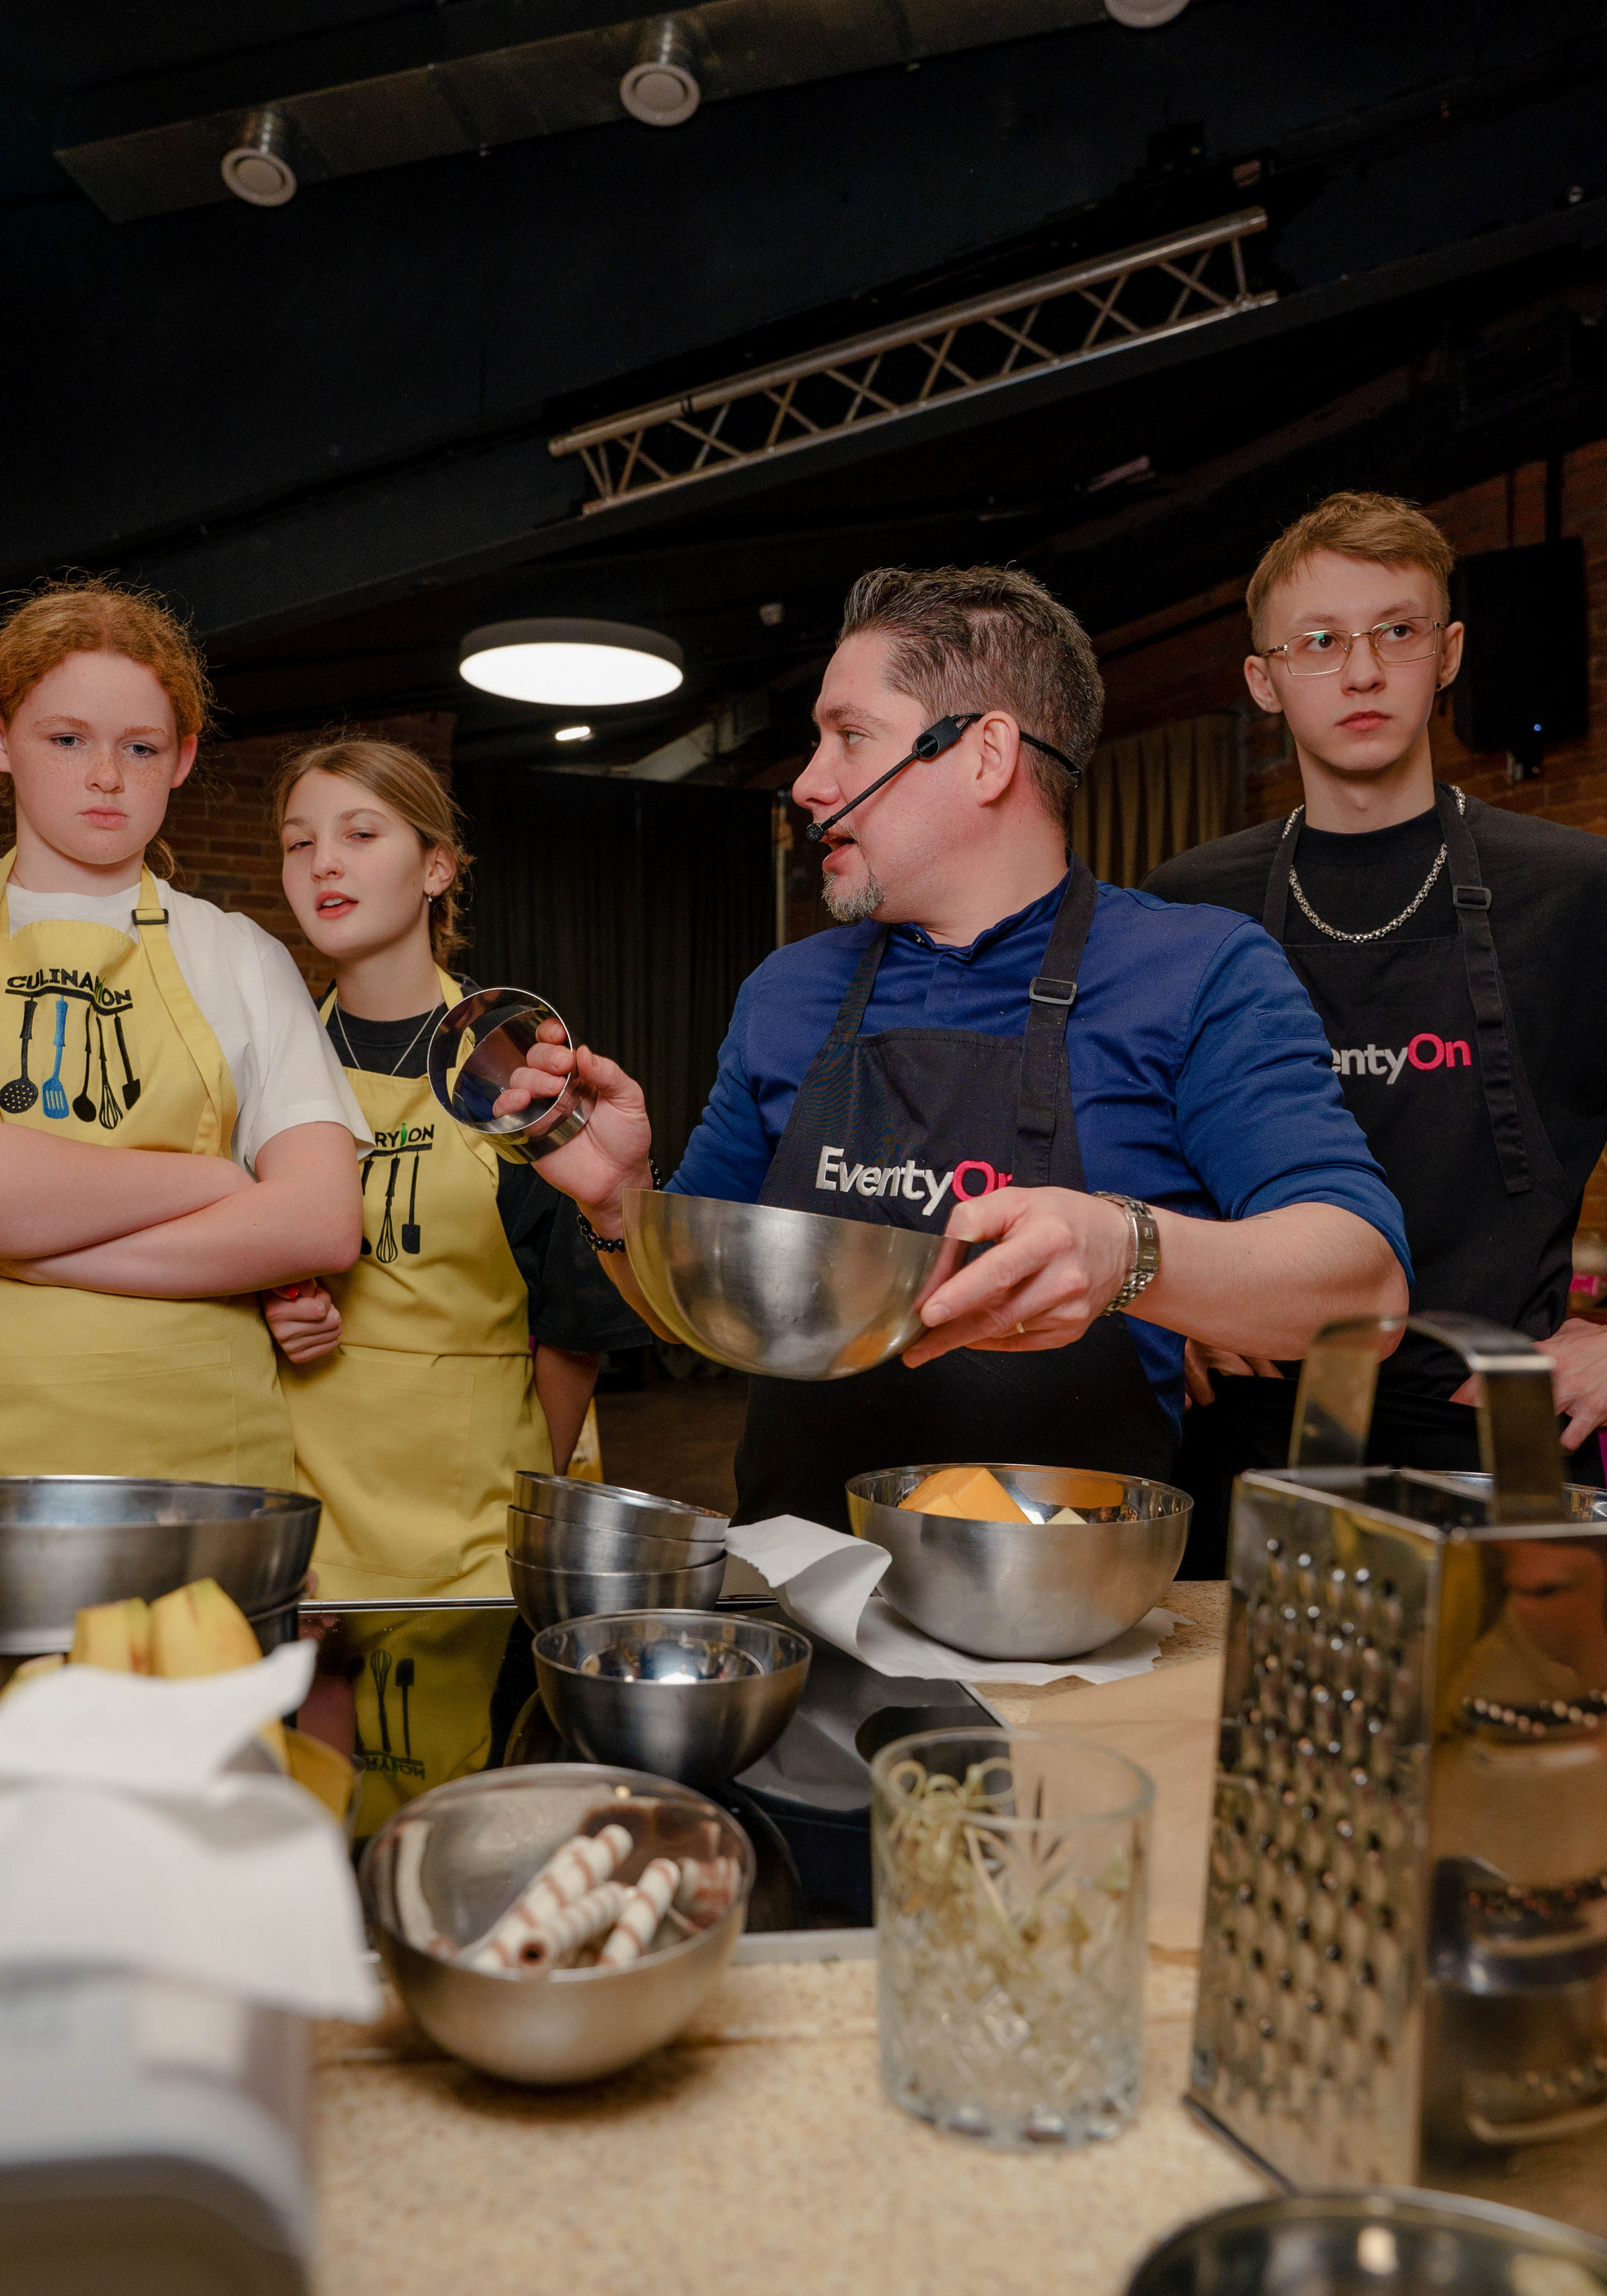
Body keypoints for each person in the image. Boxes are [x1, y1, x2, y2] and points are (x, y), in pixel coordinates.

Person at [502, 564, 1411, 1531]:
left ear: (986, 756)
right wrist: (620, 1207)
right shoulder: (788, 993)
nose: (808, 783)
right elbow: (706, 1317)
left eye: (851, 737)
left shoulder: (1197, 972)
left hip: (1064, 1620)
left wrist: (1130, 1254)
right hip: (803, 1596)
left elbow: (1366, 1286)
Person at [0, 581, 366, 1500]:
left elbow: (318, 1221)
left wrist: (13, 1233)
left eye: (139, 748)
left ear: (181, 759)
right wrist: (218, 1184)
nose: (106, 776)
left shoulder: (240, 953)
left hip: (197, 1473)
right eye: (66, 739)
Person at [1148, 493, 1607, 1555]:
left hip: (1494, 1445)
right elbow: (1124, 1146)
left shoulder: (1575, 890)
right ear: (1265, 678)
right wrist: (1158, 1299)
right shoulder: (1185, 903)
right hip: (1243, 1454)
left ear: (1447, 654)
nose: (1361, 673)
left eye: (1396, 632)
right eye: (1319, 642)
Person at [263, 740, 647, 1808]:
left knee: (459, 1819)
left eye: (360, 834)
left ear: (437, 867)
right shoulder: (267, 1058)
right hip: (306, 1512)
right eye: (300, 844)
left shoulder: (509, 1057)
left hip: (472, 1520)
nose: (323, 866)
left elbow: (572, 1319)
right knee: (307, 1830)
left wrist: (527, 1528)